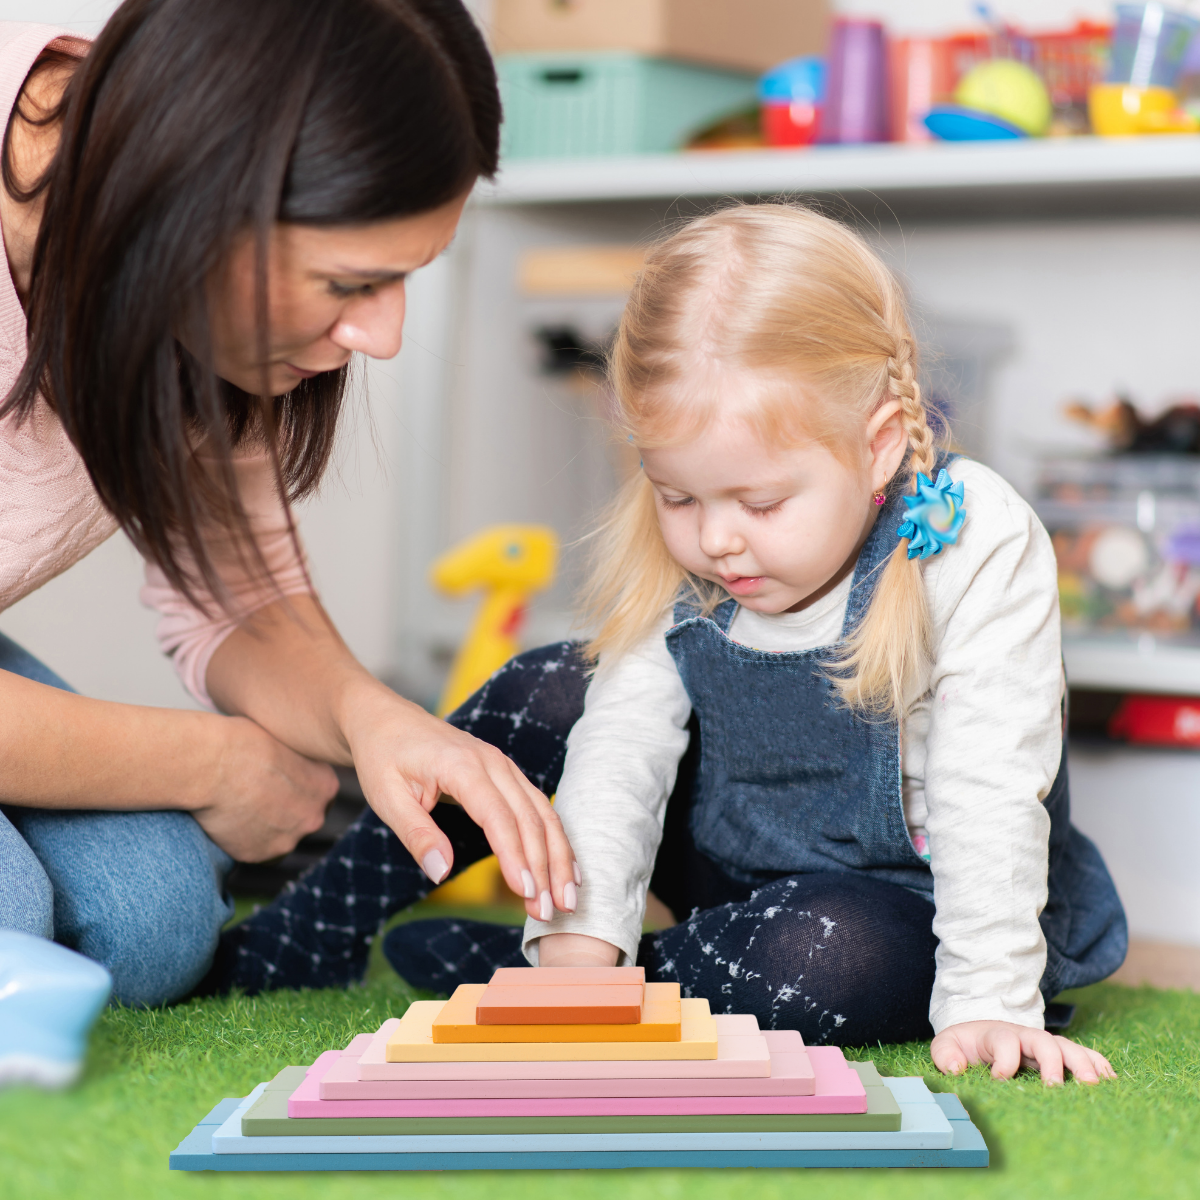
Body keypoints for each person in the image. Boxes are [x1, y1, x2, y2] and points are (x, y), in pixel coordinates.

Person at [219, 204, 1127, 1087]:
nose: (717, 540)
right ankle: (310, 931)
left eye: (762, 504)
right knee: (552, 690)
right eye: (678, 496)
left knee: (830, 957)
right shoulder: (694, 555)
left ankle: (587, 974)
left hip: (904, 911)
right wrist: (579, 943)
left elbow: (990, 783)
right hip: (726, 861)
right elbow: (621, 752)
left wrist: (991, 997)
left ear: (880, 447)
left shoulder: (975, 539)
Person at [0, 0, 577, 1009]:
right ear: (188, 205)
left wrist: (374, 720)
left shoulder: (169, 291)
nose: (384, 337)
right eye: (349, 281)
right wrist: (207, 761)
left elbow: (240, 599)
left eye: (405, 280)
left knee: (156, 924)